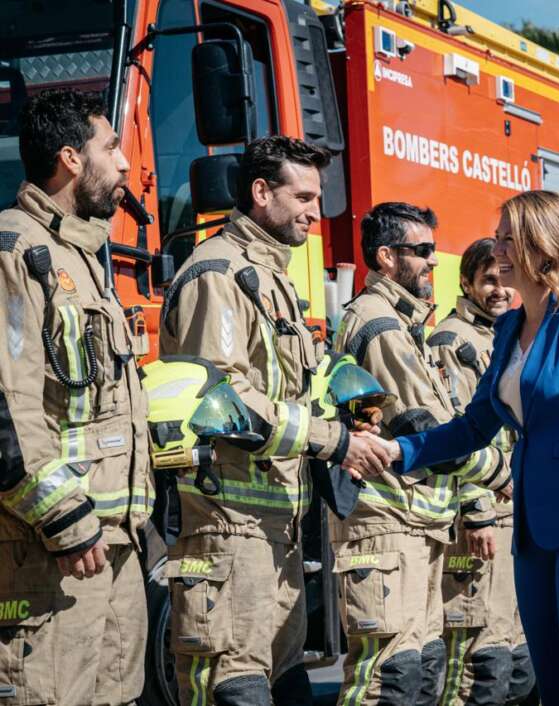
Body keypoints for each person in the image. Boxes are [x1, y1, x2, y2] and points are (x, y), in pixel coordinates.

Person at [383, 190, 559, 705]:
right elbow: (474, 425)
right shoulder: (508, 325)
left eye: (509, 238)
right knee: (549, 677)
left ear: (544, 244)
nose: (497, 248)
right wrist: (399, 451)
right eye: (499, 237)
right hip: (532, 526)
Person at [158, 135, 390, 705]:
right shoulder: (219, 273)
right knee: (235, 689)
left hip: (275, 526)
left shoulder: (272, 276)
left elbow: (295, 385)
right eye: (305, 195)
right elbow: (222, 391)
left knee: (285, 688)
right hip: (226, 524)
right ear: (261, 192)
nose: (317, 210)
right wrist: (331, 441)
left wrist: (351, 410)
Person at [0, 87, 152, 705]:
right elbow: (8, 409)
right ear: (70, 158)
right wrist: (66, 522)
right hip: (52, 549)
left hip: (113, 543)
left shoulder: (80, 254)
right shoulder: (16, 250)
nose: (123, 164)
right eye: (111, 147)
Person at [331, 203, 511, 705]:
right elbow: (427, 431)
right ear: (387, 257)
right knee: (389, 683)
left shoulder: (403, 324)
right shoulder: (381, 325)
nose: (435, 262)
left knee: (421, 673)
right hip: (385, 524)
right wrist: (501, 472)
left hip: (415, 524)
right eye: (424, 251)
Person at [426, 237, 536, 705]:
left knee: (511, 658)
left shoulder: (505, 333)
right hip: (480, 519)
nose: (498, 289)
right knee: (475, 661)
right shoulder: (453, 340)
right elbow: (460, 432)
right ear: (466, 281)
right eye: (487, 279)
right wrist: (477, 512)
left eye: (502, 278)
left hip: (513, 511)